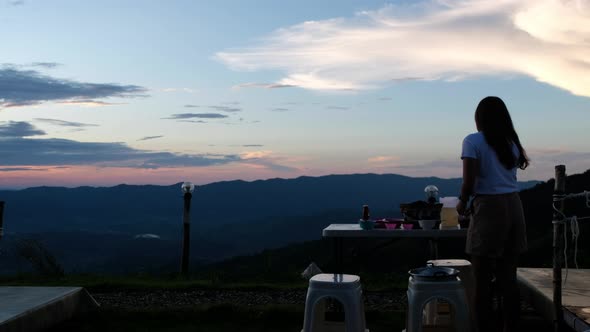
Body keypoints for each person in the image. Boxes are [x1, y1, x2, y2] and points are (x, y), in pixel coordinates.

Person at [456, 96, 529, 332]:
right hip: (514, 207)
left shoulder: (473, 140)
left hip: (489, 209)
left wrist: (462, 203)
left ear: (480, 118)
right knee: (508, 278)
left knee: (482, 280)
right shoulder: (511, 142)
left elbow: (469, 180)